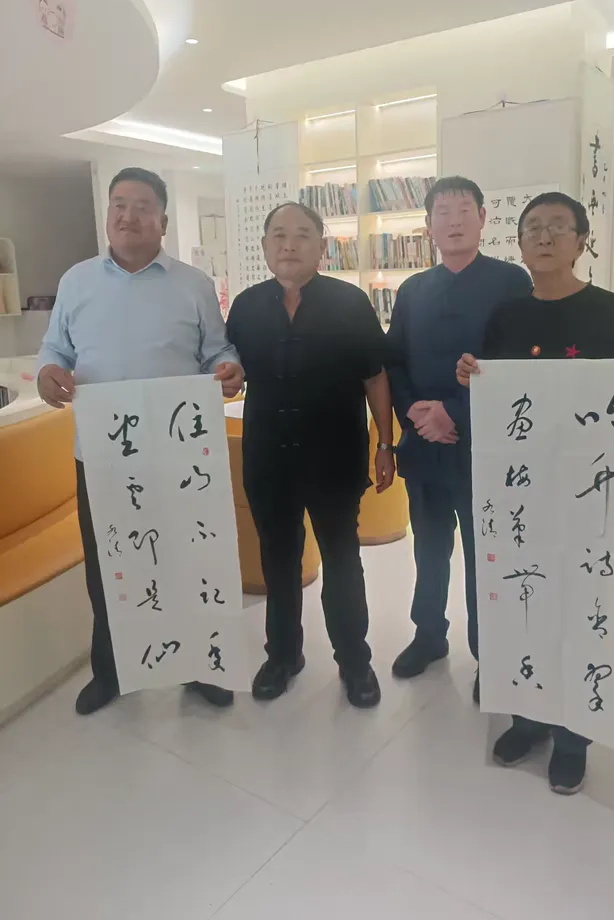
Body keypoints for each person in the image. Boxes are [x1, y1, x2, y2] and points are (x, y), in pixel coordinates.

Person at [457, 191, 614, 794]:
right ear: (520, 243)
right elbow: (497, 397)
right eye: (533, 227)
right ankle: (528, 719)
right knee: (527, 593)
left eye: (559, 226)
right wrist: (471, 377)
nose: (545, 236)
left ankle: (575, 736)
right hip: (525, 487)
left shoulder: (610, 311)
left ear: (582, 241)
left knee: (580, 600)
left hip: (587, 485)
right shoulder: (506, 315)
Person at [36, 167, 244, 716]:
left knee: (186, 559)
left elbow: (217, 351)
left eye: (142, 206)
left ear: (163, 221)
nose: (128, 216)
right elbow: (55, 349)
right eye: (119, 205)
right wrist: (48, 371)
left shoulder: (193, 284)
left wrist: (228, 368)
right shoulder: (76, 281)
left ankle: (200, 665)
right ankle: (111, 671)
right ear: (108, 214)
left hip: (177, 454)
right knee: (109, 567)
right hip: (102, 455)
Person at [226, 202, 395, 709]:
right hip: (268, 459)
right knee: (278, 561)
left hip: (334, 458)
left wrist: (385, 444)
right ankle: (282, 656)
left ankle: (355, 661)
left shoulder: (350, 303)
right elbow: (228, 370)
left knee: (342, 561)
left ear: (322, 246)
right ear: (264, 246)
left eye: (302, 234)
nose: (289, 244)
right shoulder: (246, 307)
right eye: (278, 234)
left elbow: (375, 377)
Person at [387, 177, 532, 697]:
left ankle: (488, 653)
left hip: (485, 447)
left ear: (483, 219)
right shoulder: (412, 290)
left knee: (484, 553)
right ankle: (428, 635)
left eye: (464, 210)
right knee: (428, 550)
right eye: (442, 212)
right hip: (424, 446)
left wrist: (456, 413)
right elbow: (394, 361)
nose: (453, 221)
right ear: (428, 226)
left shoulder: (512, 283)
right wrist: (414, 412)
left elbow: (519, 365)